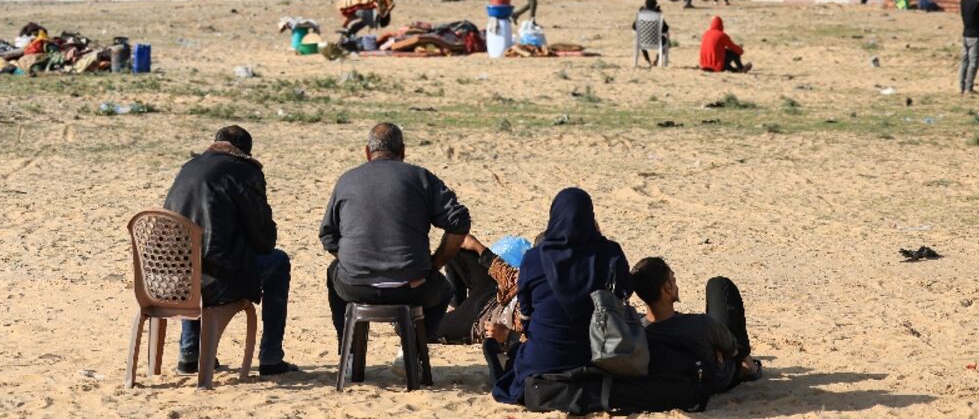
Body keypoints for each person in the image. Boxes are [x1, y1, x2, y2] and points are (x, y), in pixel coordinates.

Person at [320, 123, 472, 347]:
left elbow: (328, 236)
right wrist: (437, 262)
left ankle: (348, 350)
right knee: (444, 290)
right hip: (412, 286)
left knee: (334, 274)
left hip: (357, 285)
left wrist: (357, 263)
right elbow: (459, 222)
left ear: (367, 152)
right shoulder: (420, 178)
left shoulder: (347, 180)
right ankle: (411, 351)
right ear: (402, 151)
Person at [163, 126, 298, 376]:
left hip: (172, 278)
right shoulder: (244, 172)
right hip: (218, 278)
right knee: (278, 261)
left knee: (191, 258)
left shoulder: (188, 167)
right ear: (245, 152)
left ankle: (190, 352)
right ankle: (270, 357)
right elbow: (263, 239)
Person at [492, 189, 632, 407]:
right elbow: (625, 291)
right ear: (591, 218)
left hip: (545, 360)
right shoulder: (610, 252)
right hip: (600, 355)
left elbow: (526, 315)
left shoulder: (533, 258)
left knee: (516, 356)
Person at [630, 257, 761, 395]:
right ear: (667, 288)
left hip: (670, 381)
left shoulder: (635, 330)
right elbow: (733, 351)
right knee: (719, 284)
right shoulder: (701, 324)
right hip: (713, 380)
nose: (675, 283)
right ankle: (750, 368)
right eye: (673, 279)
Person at [960, 0, 979, 95]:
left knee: (964, 62)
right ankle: (968, 87)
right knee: (973, 63)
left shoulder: (963, 1)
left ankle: (961, 86)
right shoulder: (977, 4)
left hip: (965, 34)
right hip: (975, 35)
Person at [632, 0, 670, 68]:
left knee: (641, 37)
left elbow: (634, 27)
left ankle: (647, 60)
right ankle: (657, 59)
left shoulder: (640, 15)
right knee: (667, 41)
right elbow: (666, 29)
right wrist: (659, 13)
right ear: (655, 6)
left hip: (642, 41)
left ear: (645, 5)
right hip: (657, 41)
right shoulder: (658, 15)